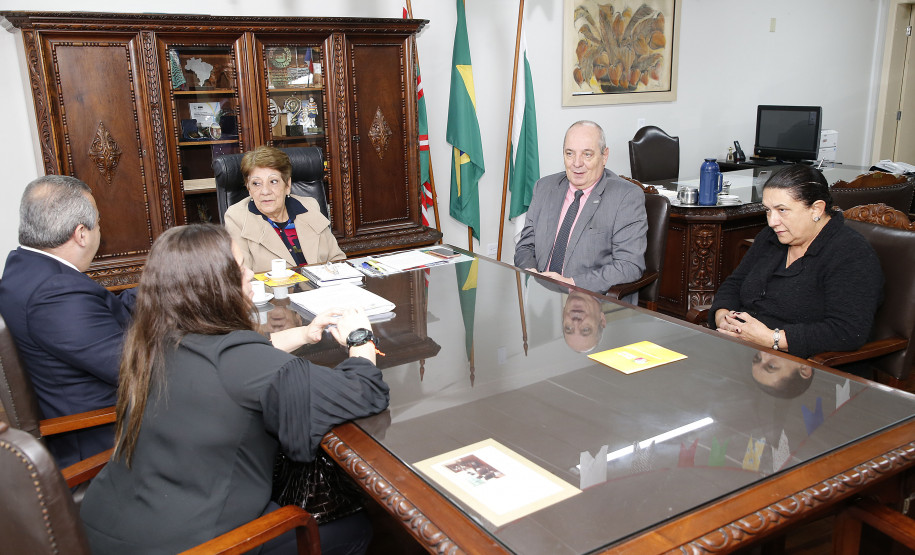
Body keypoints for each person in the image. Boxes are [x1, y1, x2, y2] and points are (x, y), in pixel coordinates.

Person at [80, 224, 388, 555]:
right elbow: (364, 390)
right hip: (190, 545)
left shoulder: (152, 341)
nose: (251, 276)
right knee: (356, 528)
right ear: (218, 287)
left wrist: (304, 334)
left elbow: (237, 359)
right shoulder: (241, 363)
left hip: (104, 525)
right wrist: (360, 339)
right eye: (241, 268)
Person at [0, 175, 136, 468]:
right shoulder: (55, 293)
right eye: (98, 222)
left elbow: (103, 313)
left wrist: (164, 288)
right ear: (81, 234)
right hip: (110, 437)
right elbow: (136, 368)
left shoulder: (23, 267)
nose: (99, 229)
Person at [709, 165, 883, 362]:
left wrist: (772, 339)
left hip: (803, 365)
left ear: (816, 209)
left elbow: (847, 331)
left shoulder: (851, 253)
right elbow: (734, 283)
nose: (772, 221)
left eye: (782, 210)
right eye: (768, 210)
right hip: (741, 349)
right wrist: (722, 317)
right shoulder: (771, 236)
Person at [514, 120, 647, 300]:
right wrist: (531, 274)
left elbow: (629, 266)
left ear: (604, 156)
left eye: (587, 154)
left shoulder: (626, 197)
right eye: (570, 154)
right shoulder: (544, 187)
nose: (577, 163)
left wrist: (571, 283)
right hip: (541, 300)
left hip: (590, 301)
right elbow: (525, 246)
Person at [225, 145, 345, 273]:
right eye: (256, 183)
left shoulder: (309, 207)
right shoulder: (237, 218)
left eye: (273, 181)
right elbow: (241, 275)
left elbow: (337, 260)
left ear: (287, 185)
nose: (265, 191)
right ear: (249, 188)